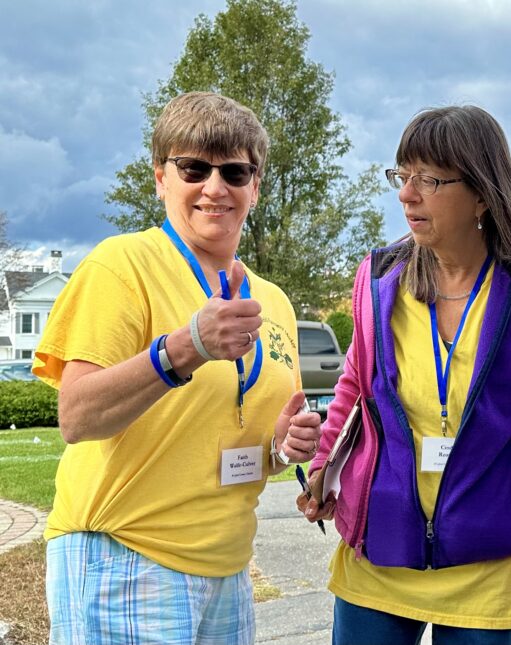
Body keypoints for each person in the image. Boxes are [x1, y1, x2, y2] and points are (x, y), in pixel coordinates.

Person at [297, 105, 511, 645]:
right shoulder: (378, 280)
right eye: (403, 174)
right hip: (380, 555)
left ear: (484, 194)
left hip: (490, 567)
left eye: (430, 179)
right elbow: (354, 386)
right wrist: (323, 466)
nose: (407, 194)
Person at [33, 91, 322, 645]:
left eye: (235, 171)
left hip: (228, 568)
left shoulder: (274, 301)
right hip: (124, 556)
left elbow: (245, 442)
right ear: (161, 177)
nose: (215, 187)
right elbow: (77, 416)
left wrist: (284, 448)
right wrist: (185, 348)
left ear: (255, 187)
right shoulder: (121, 265)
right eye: (194, 167)